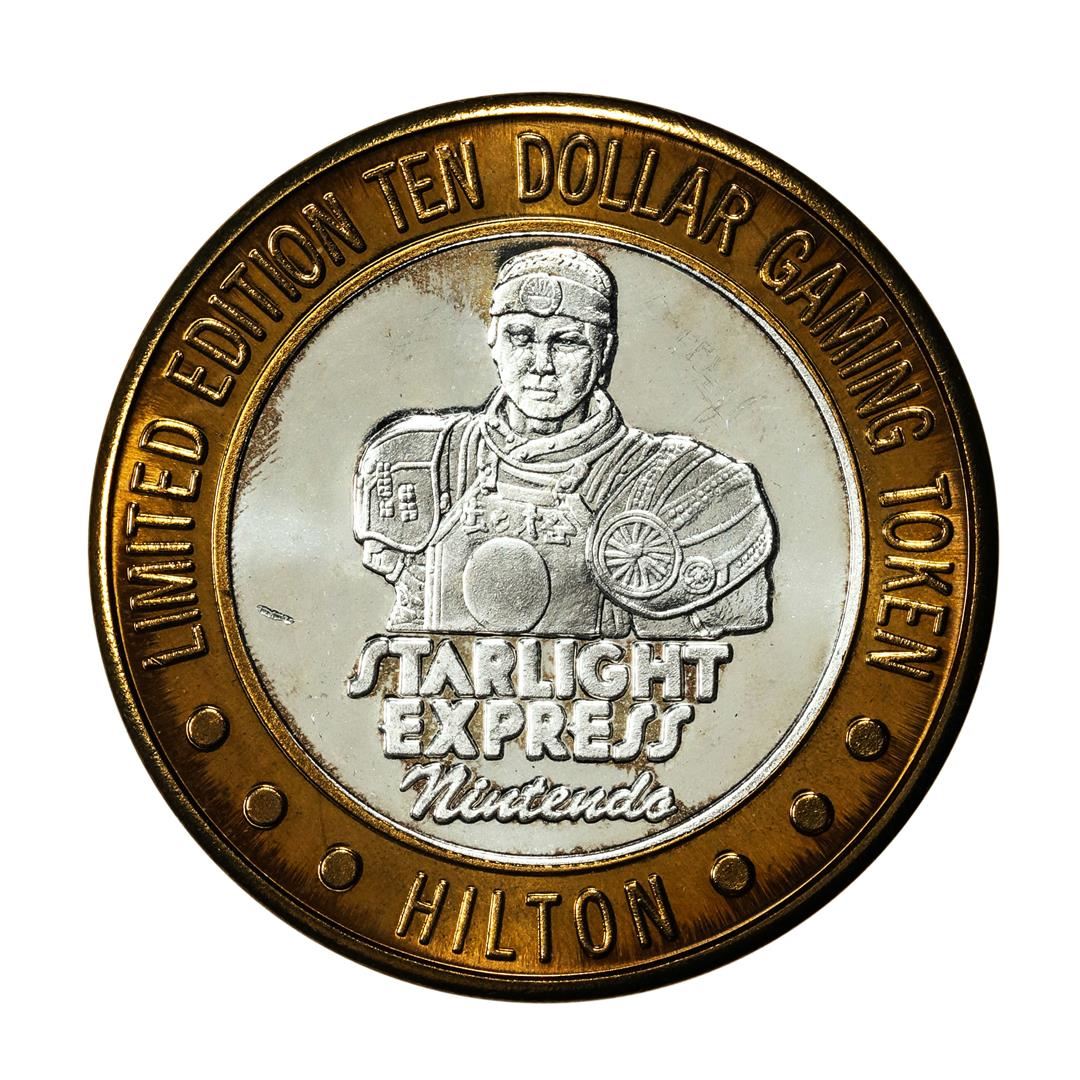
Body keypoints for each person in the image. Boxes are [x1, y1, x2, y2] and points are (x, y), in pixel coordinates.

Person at [353, 245, 775, 639]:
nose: (541, 365)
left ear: (604, 352)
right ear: (493, 342)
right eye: (521, 336)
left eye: (567, 341)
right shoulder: (421, 458)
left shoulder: (681, 482)